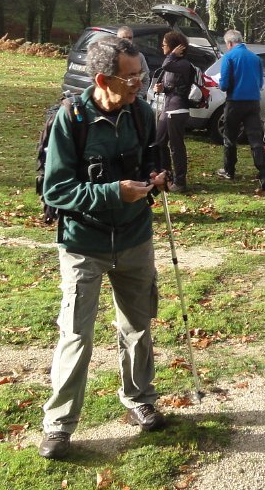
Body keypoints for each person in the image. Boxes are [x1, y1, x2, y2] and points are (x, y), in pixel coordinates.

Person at [39, 35, 170, 460]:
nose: (139, 83)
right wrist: (114, 192)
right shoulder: (70, 119)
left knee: (138, 326)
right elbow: (56, 190)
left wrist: (156, 177)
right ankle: (59, 425)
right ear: (102, 79)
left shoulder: (142, 113)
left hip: (135, 238)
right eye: (130, 77)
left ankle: (139, 400)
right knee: (76, 334)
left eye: (141, 74)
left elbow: (151, 159)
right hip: (84, 244)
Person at [216, 29, 265, 191]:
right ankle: (263, 174)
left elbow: (224, 84)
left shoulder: (229, 57)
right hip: (253, 102)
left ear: (229, 43)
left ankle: (229, 170)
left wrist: (220, 84)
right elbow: (260, 83)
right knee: (256, 139)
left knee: (230, 137)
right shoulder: (255, 58)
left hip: (235, 101)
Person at [153, 30, 195, 192]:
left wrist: (172, 55)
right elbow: (172, 86)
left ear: (174, 47)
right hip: (168, 107)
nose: (162, 46)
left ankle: (180, 181)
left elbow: (165, 65)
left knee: (176, 147)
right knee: (159, 141)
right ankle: (167, 175)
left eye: (164, 44)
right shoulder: (173, 64)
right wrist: (162, 89)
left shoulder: (183, 64)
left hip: (178, 110)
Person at [115, 25, 151, 101]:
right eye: (124, 38)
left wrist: (139, 96)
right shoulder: (112, 57)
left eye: (130, 38)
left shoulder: (139, 57)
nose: (127, 40)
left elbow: (145, 79)